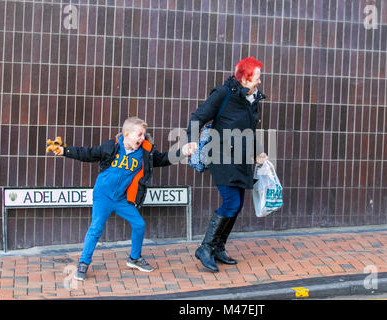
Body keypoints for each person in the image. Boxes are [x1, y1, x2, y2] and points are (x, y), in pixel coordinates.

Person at [50, 116, 197, 280]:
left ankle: (134, 258)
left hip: (121, 199)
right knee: (96, 228)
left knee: (139, 224)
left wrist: (183, 152)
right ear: (127, 134)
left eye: (144, 135)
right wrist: (65, 151)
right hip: (103, 196)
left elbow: (163, 158)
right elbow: (88, 153)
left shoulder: (144, 153)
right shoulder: (111, 147)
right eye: (139, 134)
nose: (142, 138)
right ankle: (83, 264)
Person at [187, 57, 268, 272]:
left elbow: (249, 130)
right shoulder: (223, 94)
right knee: (231, 202)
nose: (259, 82)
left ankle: (218, 248)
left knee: (237, 204)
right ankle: (205, 248)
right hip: (221, 157)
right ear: (244, 78)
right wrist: (193, 140)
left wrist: (258, 152)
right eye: (256, 78)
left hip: (241, 160)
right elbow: (197, 117)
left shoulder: (252, 99)